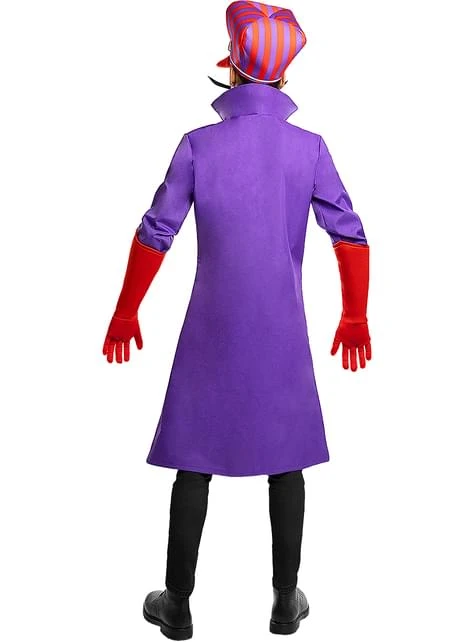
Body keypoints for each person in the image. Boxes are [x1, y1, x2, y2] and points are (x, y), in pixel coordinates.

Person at [102, 2, 371, 639]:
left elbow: (156, 231)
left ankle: (176, 603)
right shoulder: (309, 149)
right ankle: (284, 600)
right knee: (287, 460)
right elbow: (350, 234)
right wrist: (354, 314)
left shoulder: (199, 145)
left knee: (193, 459)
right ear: (283, 77)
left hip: (210, 327)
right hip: (282, 326)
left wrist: (126, 310)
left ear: (232, 69)